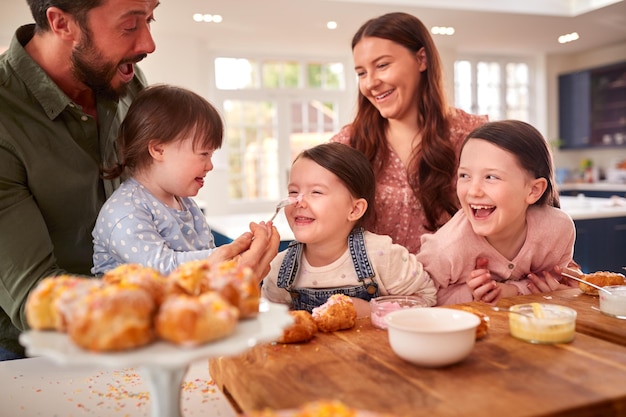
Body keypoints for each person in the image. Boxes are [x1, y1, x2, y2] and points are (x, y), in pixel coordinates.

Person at [0, 0, 277, 361]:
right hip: (37, 356)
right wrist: (200, 279)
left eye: (150, 18)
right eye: (130, 26)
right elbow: (32, 298)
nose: (149, 43)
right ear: (61, 23)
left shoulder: (124, 82)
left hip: (155, 334)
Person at [331, 12, 488, 254]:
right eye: (361, 73)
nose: (370, 83)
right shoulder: (348, 145)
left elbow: (512, 219)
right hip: (371, 292)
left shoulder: (471, 135)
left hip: (461, 288)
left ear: (421, 60)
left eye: (382, 65)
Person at [92, 84, 274, 276]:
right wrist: (230, 255)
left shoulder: (186, 204)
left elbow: (204, 256)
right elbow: (162, 269)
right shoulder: (125, 211)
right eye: (204, 154)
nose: (210, 165)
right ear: (158, 150)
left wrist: (240, 253)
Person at [261, 142, 437, 317]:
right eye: (293, 192)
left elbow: (426, 297)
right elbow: (269, 320)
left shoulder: (382, 255)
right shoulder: (280, 267)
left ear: (354, 210)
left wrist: (372, 311)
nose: (298, 201)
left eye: (316, 192)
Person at [416, 120, 577, 305]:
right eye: (464, 175)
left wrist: (517, 291)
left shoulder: (557, 231)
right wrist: (470, 294)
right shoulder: (446, 249)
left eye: (491, 177)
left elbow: (555, 281)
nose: (473, 191)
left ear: (533, 190)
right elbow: (418, 299)